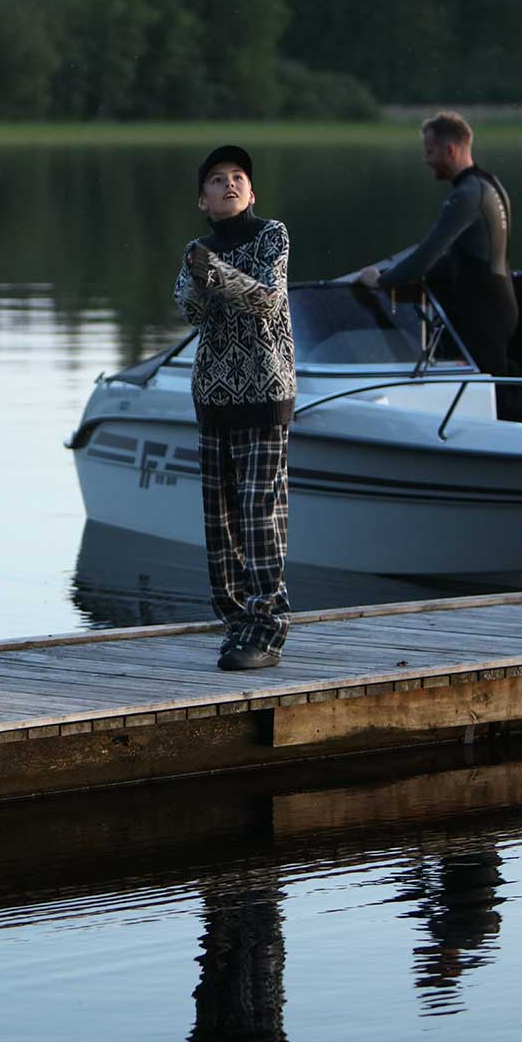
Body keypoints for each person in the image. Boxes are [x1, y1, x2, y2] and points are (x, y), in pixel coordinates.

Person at [174, 146, 295, 671]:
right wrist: (203, 276)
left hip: (266, 396)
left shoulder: (272, 235)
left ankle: (268, 627)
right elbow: (189, 310)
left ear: (252, 192)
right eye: (217, 180)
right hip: (213, 399)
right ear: (203, 200)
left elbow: (266, 297)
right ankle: (236, 623)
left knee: (258, 513)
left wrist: (216, 274)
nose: (229, 185)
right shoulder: (196, 249)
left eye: (238, 177)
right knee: (218, 523)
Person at [356, 111, 517, 413]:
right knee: (495, 394)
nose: (426, 160)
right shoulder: (490, 185)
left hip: (483, 314)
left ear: (450, 150)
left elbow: (424, 257)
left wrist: (379, 280)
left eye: (429, 152)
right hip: (500, 303)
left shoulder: (466, 196)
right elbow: (464, 256)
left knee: (492, 403)